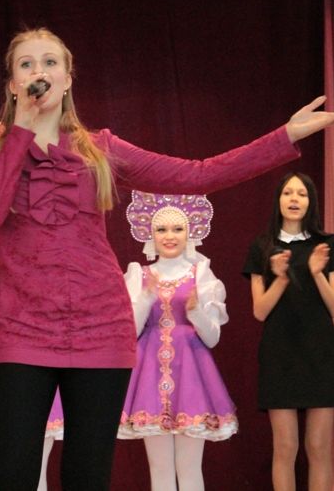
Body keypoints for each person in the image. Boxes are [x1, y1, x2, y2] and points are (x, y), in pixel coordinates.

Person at [0, 26, 334, 490]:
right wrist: (21, 129)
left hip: (100, 328)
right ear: (13, 83)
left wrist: (285, 135)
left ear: (68, 79)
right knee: (12, 475)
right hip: (23, 327)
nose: (39, 72)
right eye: (26, 64)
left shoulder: (100, 148)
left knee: (87, 476)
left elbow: (196, 175)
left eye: (50, 62)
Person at [118, 191, 237, 491]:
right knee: (159, 468)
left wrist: (196, 313)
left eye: (177, 228)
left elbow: (212, 338)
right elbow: (130, 333)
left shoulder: (202, 275)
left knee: (189, 467)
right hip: (149, 376)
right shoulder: (139, 275)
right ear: (150, 234)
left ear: (190, 232)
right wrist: (145, 299)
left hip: (192, 375)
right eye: (161, 229)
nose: (169, 236)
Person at [242, 172, 334, 491]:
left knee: (318, 447)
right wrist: (281, 278)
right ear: (278, 199)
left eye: (302, 194)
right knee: (285, 447)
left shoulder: (327, 244)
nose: (294, 199)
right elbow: (260, 311)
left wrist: (316, 273)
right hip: (280, 354)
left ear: (310, 201)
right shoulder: (262, 246)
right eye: (288, 193)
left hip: (321, 354)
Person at [0, 256, 63, 491]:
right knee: (15, 455)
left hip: (52, 359)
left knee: (41, 455)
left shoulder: (58, 258)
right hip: (13, 362)